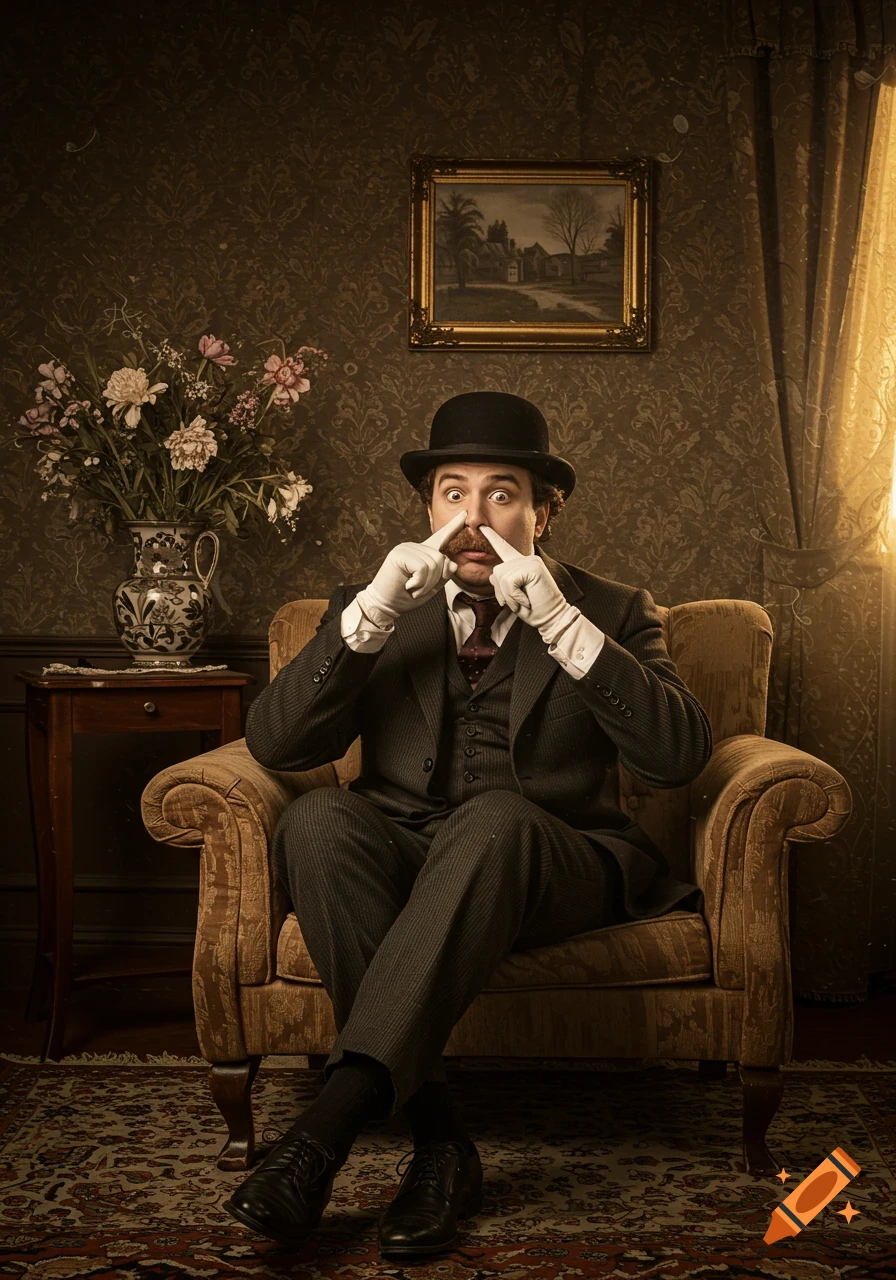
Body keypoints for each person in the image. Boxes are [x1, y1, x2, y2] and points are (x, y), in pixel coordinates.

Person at [225, 390, 713, 1257]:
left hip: (551, 860)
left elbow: (677, 756)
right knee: (317, 822)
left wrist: (561, 621)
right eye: (454, 493)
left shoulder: (612, 607)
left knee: (494, 820)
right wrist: (371, 616)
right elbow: (276, 742)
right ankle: (442, 1143)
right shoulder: (376, 603)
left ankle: (323, 1133)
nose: (474, 518)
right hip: (409, 850)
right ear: (428, 509)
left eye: (501, 494)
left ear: (542, 514)